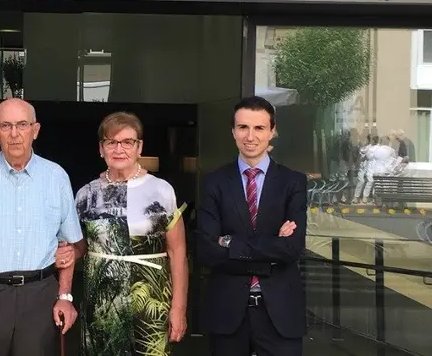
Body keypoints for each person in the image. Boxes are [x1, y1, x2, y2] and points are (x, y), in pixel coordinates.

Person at [0, 98, 83, 356]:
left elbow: (68, 244)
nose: (14, 134)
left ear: (36, 130)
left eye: (22, 125)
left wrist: (64, 296)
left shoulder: (56, 177)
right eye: (5, 125)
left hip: (39, 295)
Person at [55, 111, 189, 355]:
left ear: (139, 147)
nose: (119, 149)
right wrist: (63, 259)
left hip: (150, 301)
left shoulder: (161, 190)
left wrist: (178, 308)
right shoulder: (86, 194)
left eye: (127, 142)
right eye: (111, 142)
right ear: (101, 148)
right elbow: (79, 246)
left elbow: (177, 251)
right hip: (102, 304)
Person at [196, 96, 307, 356]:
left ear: (272, 131)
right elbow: (207, 250)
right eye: (243, 127)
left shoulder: (293, 182)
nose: (250, 136)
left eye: (259, 128)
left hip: (280, 312)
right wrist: (272, 246)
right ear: (233, 131)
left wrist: (230, 242)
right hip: (227, 310)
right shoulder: (215, 182)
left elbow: (292, 248)